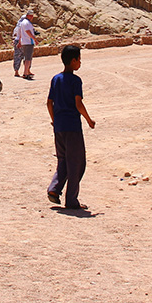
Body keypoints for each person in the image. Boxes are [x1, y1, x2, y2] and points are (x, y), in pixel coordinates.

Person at [46, 45, 95, 210]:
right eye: (79, 59)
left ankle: (54, 189)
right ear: (73, 61)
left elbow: (49, 103)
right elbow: (78, 103)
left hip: (59, 127)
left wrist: (54, 120)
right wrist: (89, 120)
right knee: (77, 163)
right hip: (73, 127)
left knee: (63, 160)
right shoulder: (75, 80)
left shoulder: (55, 79)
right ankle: (72, 200)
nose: (80, 63)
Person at [13, 10, 37, 79]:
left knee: (18, 56)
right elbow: (27, 32)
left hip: (20, 41)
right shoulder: (25, 24)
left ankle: (18, 71)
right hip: (24, 41)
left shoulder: (19, 25)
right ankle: (26, 71)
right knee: (27, 57)